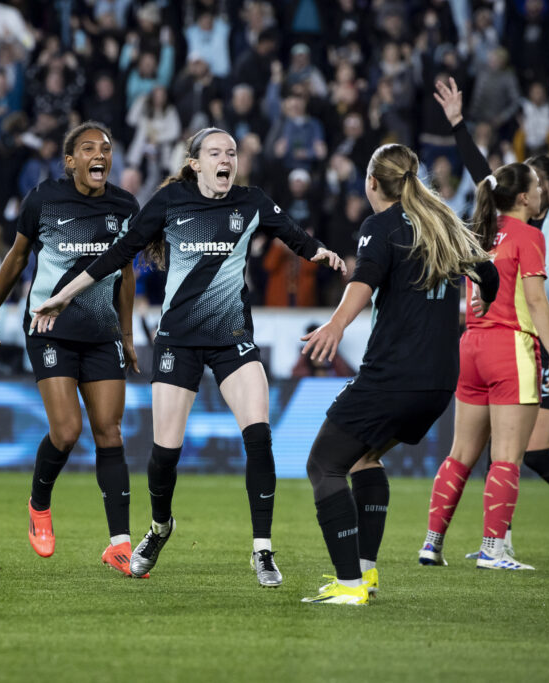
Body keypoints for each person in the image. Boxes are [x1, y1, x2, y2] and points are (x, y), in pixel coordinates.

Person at [30, 127, 346, 586]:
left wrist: (323, 253)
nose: (226, 160)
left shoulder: (251, 202)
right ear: (195, 162)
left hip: (232, 339)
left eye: (232, 153)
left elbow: (296, 237)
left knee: (258, 434)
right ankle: (160, 528)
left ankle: (263, 549)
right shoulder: (170, 202)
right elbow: (118, 255)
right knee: (164, 456)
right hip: (178, 341)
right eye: (216, 153)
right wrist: (63, 295)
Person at [297, 144, 498, 606]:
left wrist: (335, 324)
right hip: (438, 383)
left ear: (372, 183)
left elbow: (363, 281)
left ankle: (349, 585)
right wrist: (483, 301)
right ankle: (365, 575)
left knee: (323, 465)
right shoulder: (443, 221)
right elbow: (489, 272)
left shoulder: (380, 226)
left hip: (392, 378)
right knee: (365, 459)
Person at [435, 74, 549, 560]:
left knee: (530, 452)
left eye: (538, 181)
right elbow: (481, 176)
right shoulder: (508, 226)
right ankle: (498, 544)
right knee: (502, 449)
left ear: (548, 190)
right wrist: (457, 125)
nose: (531, 190)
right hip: (512, 342)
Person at [0, 122, 142, 577]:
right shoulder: (43, 200)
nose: (99, 155)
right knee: (67, 432)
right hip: (49, 329)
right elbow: (16, 257)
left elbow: (126, 275)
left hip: (102, 333)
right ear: (70, 162)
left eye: (106, 148)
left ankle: (119, 545)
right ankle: (39, 503)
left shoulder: (125, 207)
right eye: (88, 148)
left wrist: (126, 336)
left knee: (110, 433)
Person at [417, 160, 549, 571]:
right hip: (510, 348)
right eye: (537, 186)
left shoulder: (478, 233)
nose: (541, 193)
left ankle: (432, 543)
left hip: (472, 347)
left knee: (459, 453)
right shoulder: (529, 235)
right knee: (506, 457)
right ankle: (493, 550)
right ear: (522, 197)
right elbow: (536, 301)